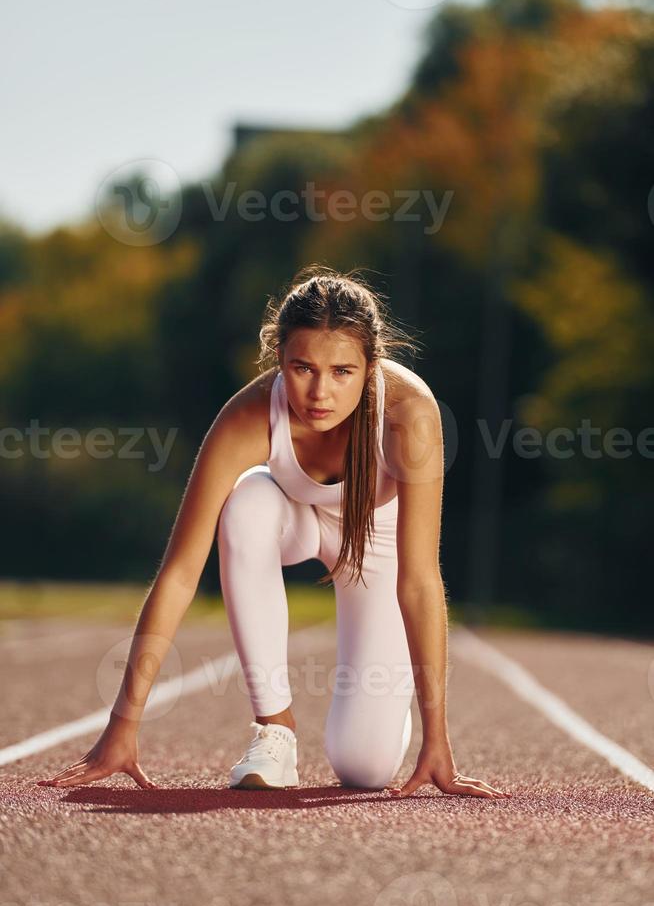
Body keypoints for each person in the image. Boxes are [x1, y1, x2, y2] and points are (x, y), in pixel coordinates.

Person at [38, 267, 511, 800]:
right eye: (302, 368)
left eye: (342, 372)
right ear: (278, 358)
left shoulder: (411, 417)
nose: (320, 392)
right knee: (246, 503)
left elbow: (421, 581)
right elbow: (179, 572)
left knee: (365, 767)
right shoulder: (248, 415)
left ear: (371, 367)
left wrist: (437, 742)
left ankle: (387, 699)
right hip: (291, 517)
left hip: (375, 545)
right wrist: (123, 726)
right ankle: (275, 731)